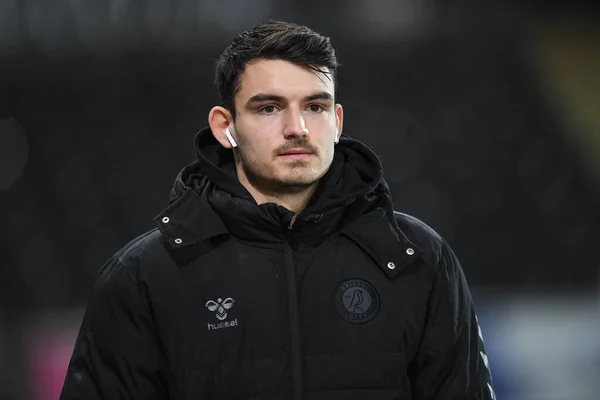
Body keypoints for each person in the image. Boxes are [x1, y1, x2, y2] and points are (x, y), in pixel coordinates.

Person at [60, 20, 495, 400]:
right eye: (269, 108)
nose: (297, 128)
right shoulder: (145, 275)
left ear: (338, 122)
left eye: (315, 106)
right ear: (225, 126)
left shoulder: (418, 259)